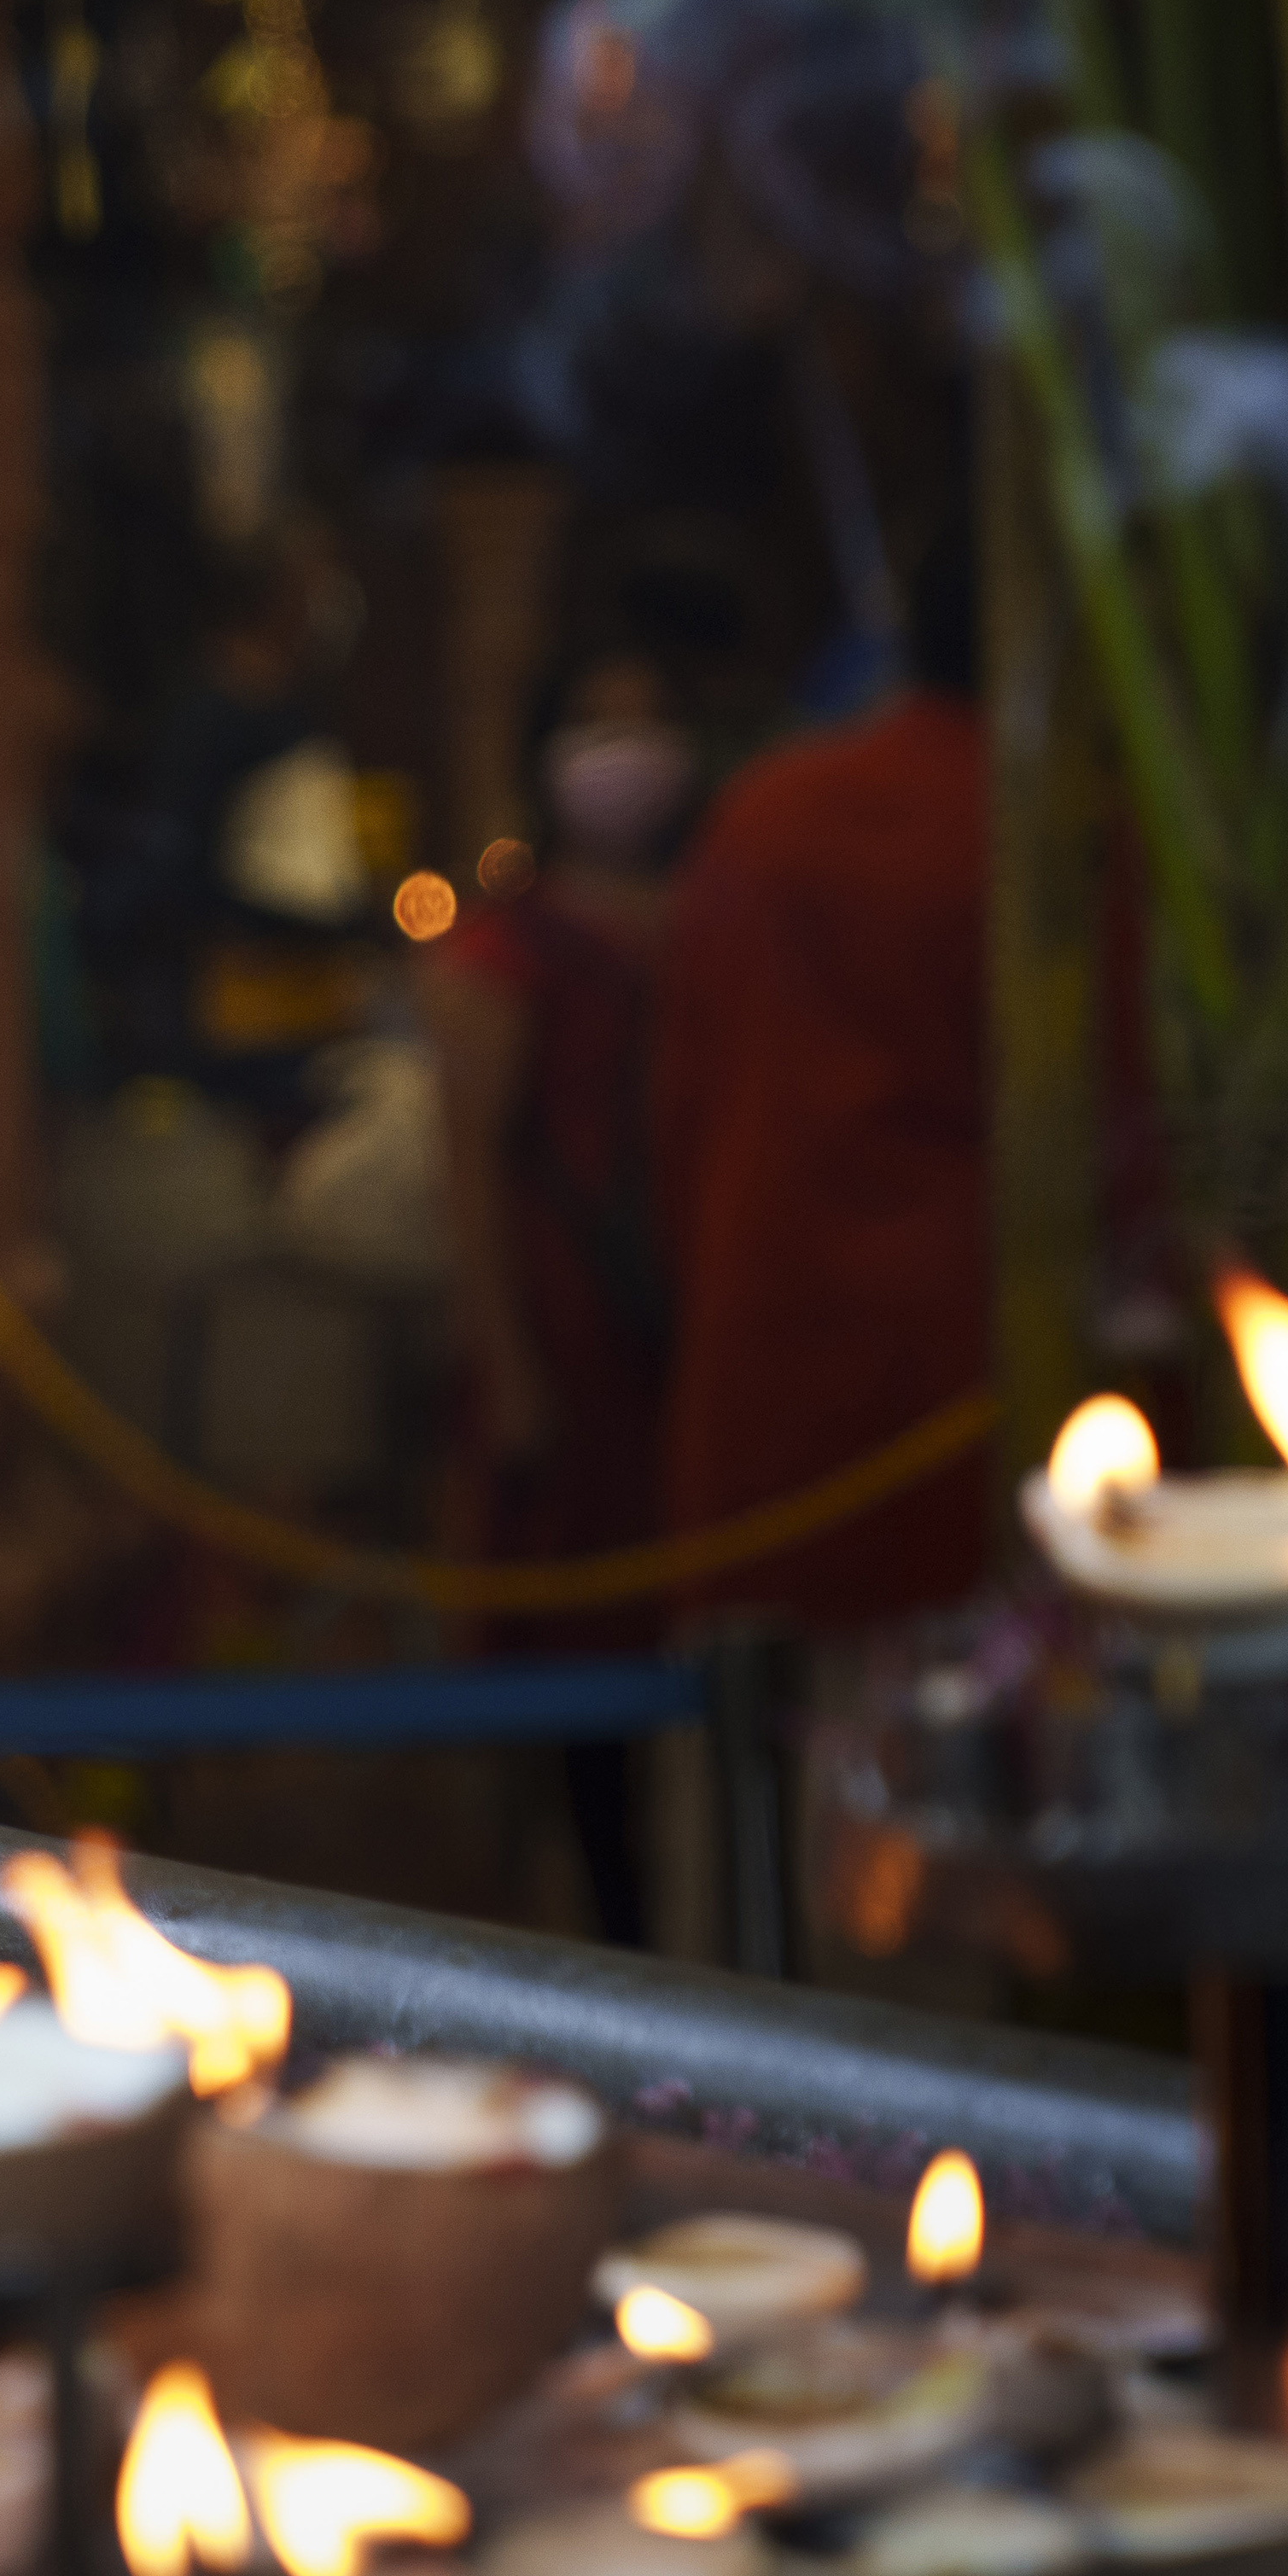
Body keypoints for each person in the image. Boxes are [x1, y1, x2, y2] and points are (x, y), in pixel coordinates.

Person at [653, 522, 997, 1623]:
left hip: (767, 1329)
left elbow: (677, 1099)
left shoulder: (767, 812)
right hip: (971, 1360)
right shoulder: (1047, 826)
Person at [421, 643, 702, 1944]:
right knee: (568, 1644)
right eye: (595, 724)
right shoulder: (508, 947)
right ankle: (582, 1926)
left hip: (689, 1341)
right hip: (566, 1329)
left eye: (648, 720)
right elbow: (471, 1161)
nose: (624, 752)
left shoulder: (709, 914)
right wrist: (508, 1361)